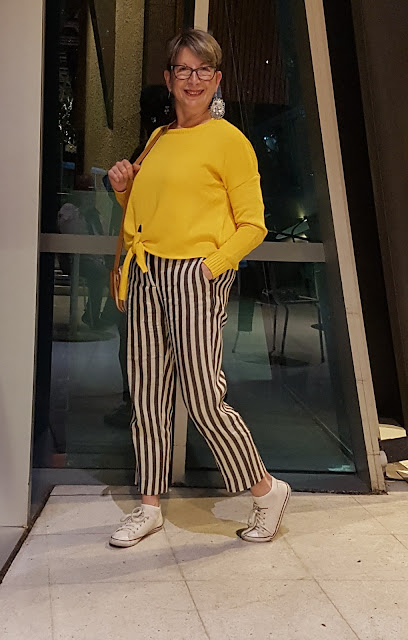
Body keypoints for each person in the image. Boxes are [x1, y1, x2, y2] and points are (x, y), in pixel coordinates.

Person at [107, 29, 291, 548]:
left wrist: (212, 267)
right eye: (183, 70)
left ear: (217, 79)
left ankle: (266, 490)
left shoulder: (229, 142)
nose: (193, 80)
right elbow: (144, 213)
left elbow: (253, 224)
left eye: (203, 70)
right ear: (168, 78)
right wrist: (123, 190)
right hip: (147, 272)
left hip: (194, 275)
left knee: (204, 397)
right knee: (146, 394)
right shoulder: (158, 139)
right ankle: (149, 506)